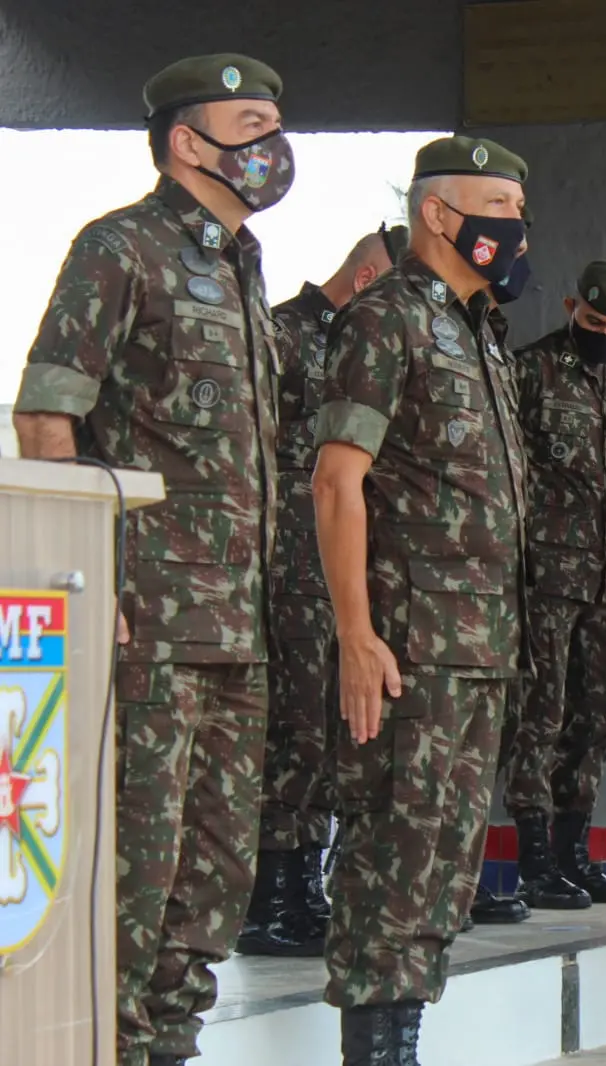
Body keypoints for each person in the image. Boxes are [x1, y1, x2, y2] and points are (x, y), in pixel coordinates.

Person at [13, 54, 290, 1066]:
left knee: (215, 869)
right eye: (249, 121)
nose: (271, 143)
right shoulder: (120, 248)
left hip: (237, 625)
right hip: (149, 621)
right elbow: (48, 415)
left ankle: (168, 1043)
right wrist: (93, 583)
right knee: (136, 863)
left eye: (275, 122)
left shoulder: (240, 266)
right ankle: (112, 1047)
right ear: (188, 140)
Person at [312, 135, 529, 1060]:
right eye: (499, 209)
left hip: (478, 643)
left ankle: (404, 1032)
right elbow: (336, 480)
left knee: (443, 858)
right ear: (439, 214)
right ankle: (377, 1045)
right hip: (408, 644)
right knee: (394, 849)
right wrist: (357, 635)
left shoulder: (479, 334)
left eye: (520, 212)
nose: (516, 229)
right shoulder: (386, 319)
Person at [239, 225, 409, 959]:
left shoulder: (366, 344)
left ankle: (305, 886)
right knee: (297, 732)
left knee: (331, 734)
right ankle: (273, 896)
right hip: (287, 570)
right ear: (369, 279)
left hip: (344, 575)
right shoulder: (282, 337)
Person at [500, 260, 606, 909]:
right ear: (570, 307)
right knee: (540, 716)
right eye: (597, 322)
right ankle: (535, 861)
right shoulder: (529, 371)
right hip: (543, 577)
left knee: (595, 720)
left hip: (599, 576)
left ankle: (572, 854)